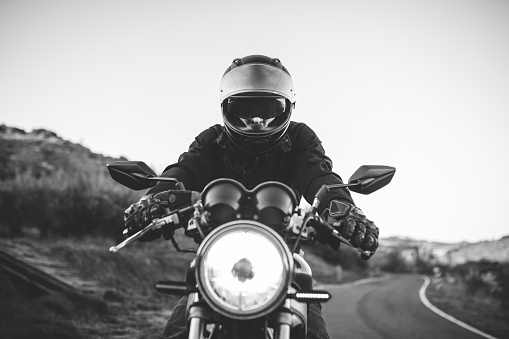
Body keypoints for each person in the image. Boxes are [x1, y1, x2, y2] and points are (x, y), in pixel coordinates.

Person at [123, 55, 379, 339]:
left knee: (312, 329)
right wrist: (153, 200)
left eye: (269, 108)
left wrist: (345, 211)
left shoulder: (300, 138)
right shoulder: (212, 140)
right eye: (245, 107)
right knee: (180, 325)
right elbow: (184, 169)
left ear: (286, 108)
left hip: (284, 256)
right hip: (219, 255)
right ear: (227, 107)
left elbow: (319, 176)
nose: (257, 119)